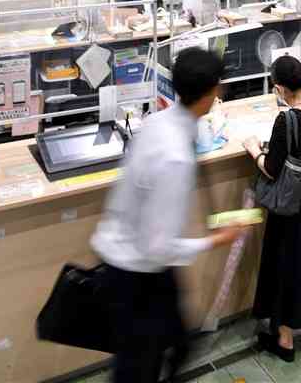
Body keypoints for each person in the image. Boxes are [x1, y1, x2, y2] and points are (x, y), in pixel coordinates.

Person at [91, 48, 241, 382]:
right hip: (136, 271)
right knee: (137, 366)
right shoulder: (175, 157)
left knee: (178, 342)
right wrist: (214, 240)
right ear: (211, 92)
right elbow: (157, 246)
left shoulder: (157, 122)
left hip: (136, 259)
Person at [244, 56, 301, 361]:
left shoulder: (287, 120)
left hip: (291, 209)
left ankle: (285, 339)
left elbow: (271, 169)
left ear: (280, 88)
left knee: (287, 267)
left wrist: (254, 151)